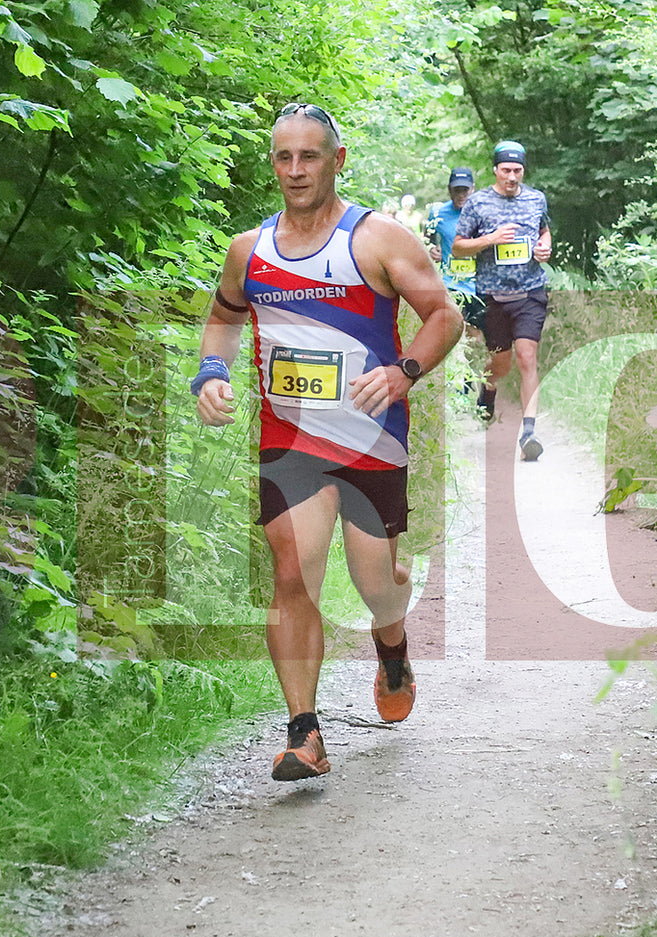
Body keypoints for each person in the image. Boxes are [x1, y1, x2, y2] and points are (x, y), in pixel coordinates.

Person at [193, 103, 462, 781]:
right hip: (290, 442)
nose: (295, 170)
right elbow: (223, 318)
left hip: (372, 439)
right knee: (291, 573)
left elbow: (444, 316)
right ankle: (303, 732)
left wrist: (403, 373)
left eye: (308, 156)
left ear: (336, 160)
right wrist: (212, 370)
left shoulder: (378, 240)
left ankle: (392, 643)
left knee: (377, 584)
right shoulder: (248, 250)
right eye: (283, 157)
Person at [451, 140, 553, 459]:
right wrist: (491, 239)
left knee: (527, 356)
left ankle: (529, 433)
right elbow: (458, 247)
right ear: (495, 170)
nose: (512, 177)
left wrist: (545, 247)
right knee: (500, 364)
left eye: (517, 170)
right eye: (506, 170)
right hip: (493, 295)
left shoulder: (536, 199)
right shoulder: (478, 203)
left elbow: (544, 230)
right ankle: (488, 391)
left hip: (531, 291)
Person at [423, 167, 491, 416]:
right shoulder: (438, 213)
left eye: (465, 190)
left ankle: (470, 386)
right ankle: (455, 392)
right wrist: (431, 250)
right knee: (453, 338)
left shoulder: (484, 213)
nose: (461, 195)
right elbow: (428, 239)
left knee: (476, 341)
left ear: (473, 189)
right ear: (449, 190)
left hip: (478, 286)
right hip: (451, 285)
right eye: (456, 190)